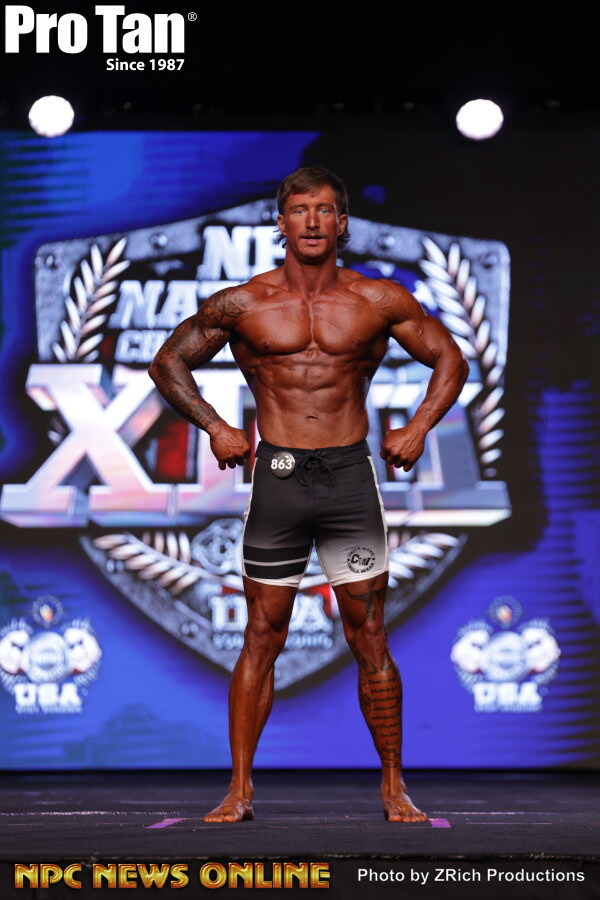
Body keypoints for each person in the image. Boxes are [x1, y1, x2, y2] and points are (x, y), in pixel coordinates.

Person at [149, 166, 469, 823]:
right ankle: (239, 790)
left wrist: (417, 427)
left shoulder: (377, 300)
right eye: (300, 210)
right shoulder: (244, 304)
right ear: (282, 223)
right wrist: (216, 426)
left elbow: (451, 358)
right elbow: (168, 361)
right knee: (262, 634)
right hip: (281, 481)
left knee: (369, 633)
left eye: (324, 209)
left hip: (349, 480)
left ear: (342, 222)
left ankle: (394, 788)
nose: (313, 221)